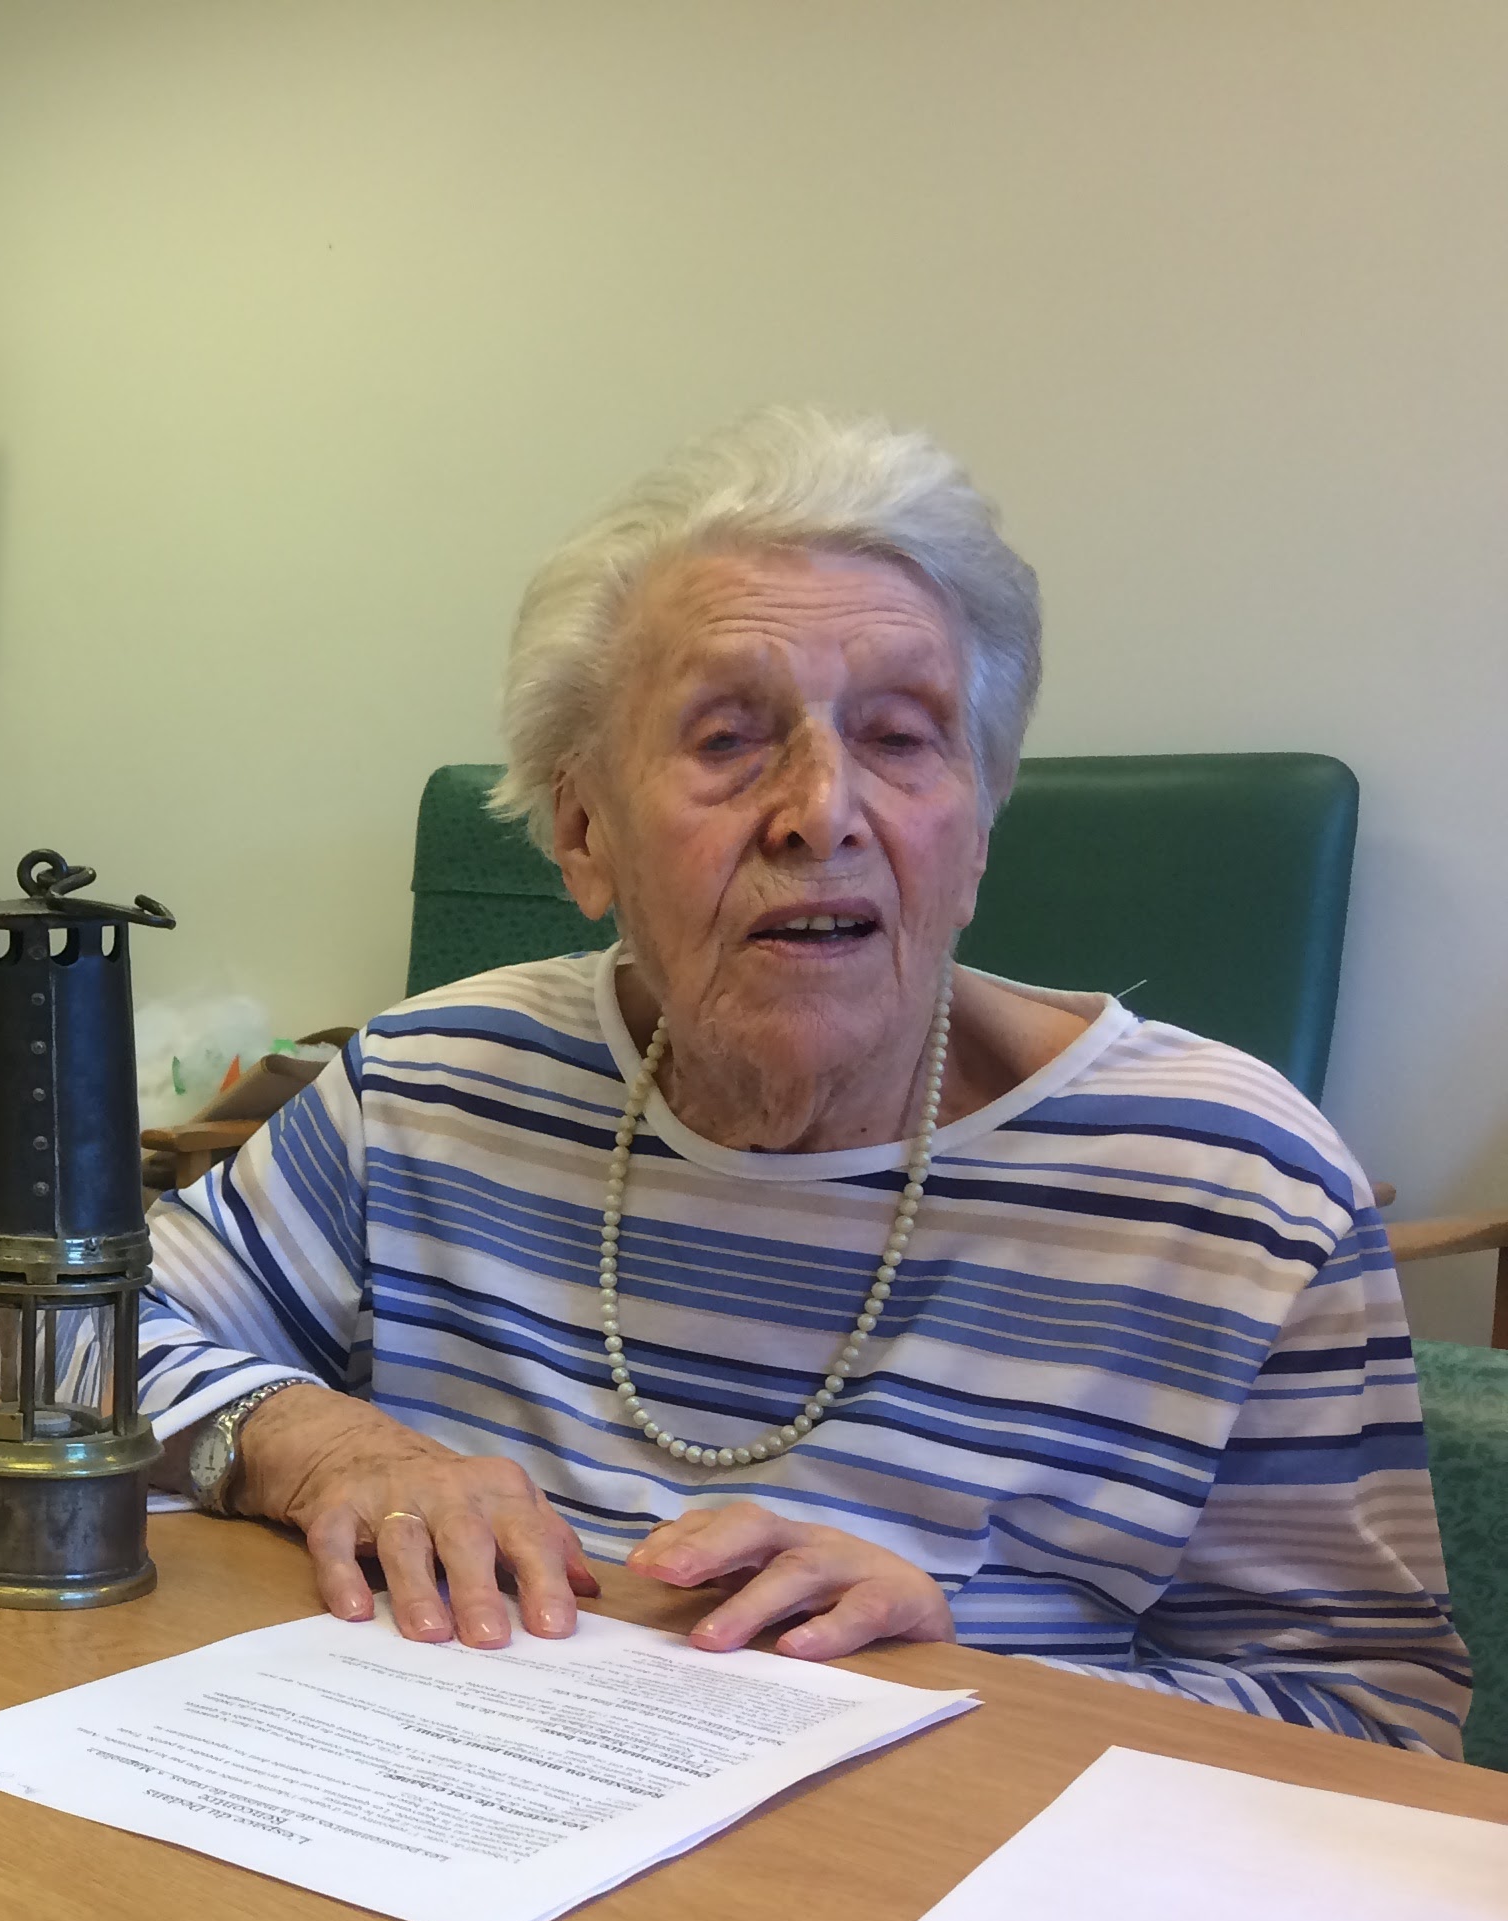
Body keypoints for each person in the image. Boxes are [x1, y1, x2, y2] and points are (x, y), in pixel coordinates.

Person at [144, 407, 1468, 1756]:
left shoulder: (1235, 1188)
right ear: (584, 829)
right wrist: (331, 1449)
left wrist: (963, 1688)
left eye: (900, 737)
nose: (823, 810)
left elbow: (1378, 1732)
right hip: (422, 1815)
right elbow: (76, 1342)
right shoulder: (434, 1088)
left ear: (978, 827)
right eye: (728, 738)